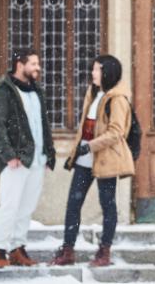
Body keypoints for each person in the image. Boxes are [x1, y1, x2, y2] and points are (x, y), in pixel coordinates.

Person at [49, 54, 135, 268]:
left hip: (105, 160)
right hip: (84, 160)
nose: (92, 73)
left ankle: (104, 251)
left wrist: (91, 145)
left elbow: (116, 132)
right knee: (73, 204)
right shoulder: (93, 93)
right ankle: (68, 249)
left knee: (108, 205)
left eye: (96, 69)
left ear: (106, 72)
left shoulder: (118, 99)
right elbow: (84, 126)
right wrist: (79, 149)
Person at [0, 48, 56, 269]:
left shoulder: (37, 91)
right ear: (20, 64)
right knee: (10, 205)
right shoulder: (2, 90)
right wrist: (8, 155)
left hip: (37, 159)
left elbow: (43, 125)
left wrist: (48, 154)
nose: (38, 68)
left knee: (26, 207)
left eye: (38, 63)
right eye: (33, 63)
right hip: (16, 160)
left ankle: (18, 248)